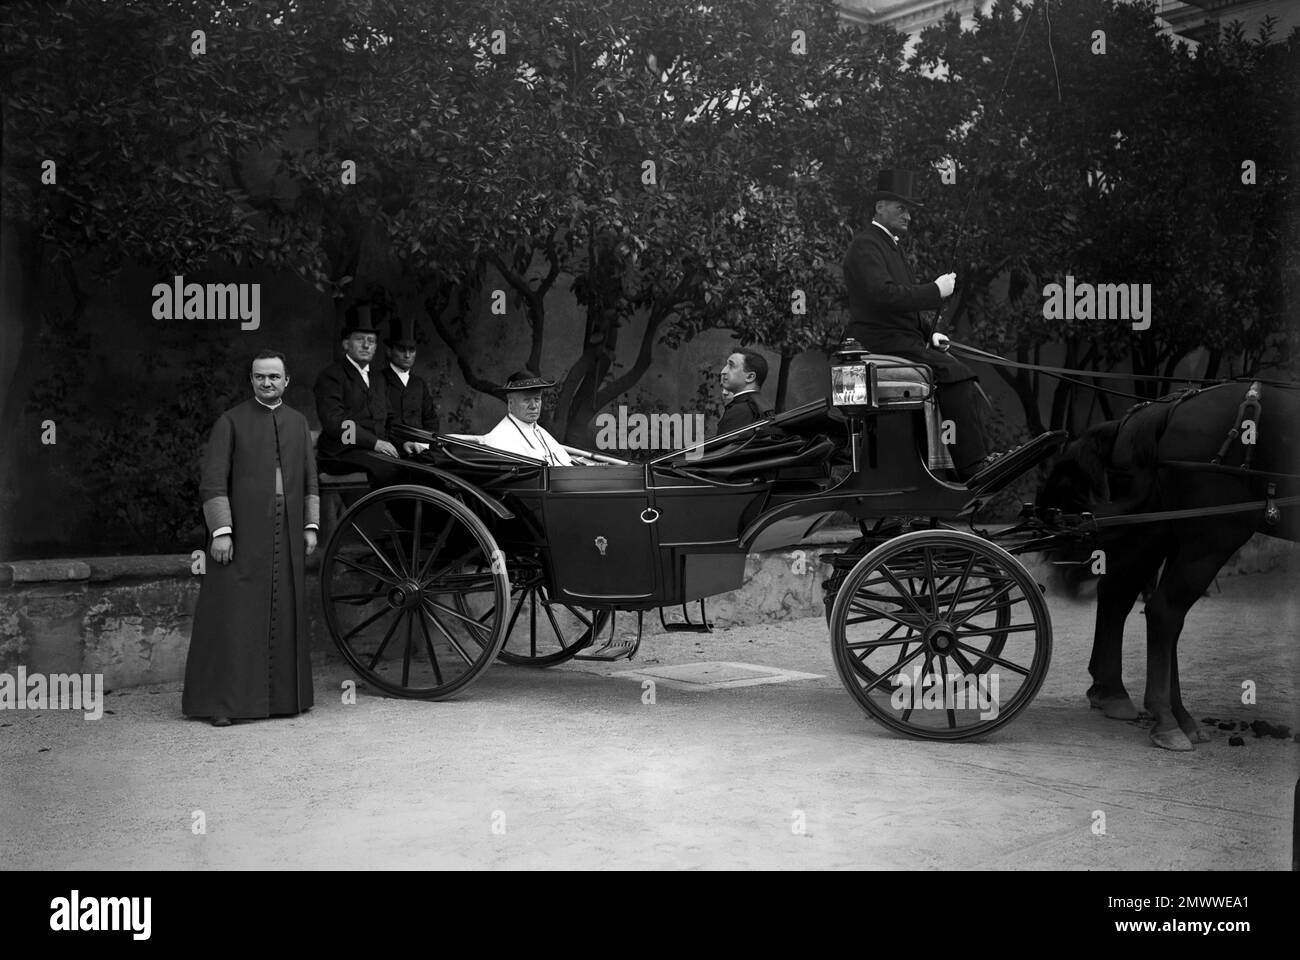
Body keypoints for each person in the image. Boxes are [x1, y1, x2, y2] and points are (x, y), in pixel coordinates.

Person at [183, 351, 319, 727]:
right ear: (251, 381)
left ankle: (284, 701)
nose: (267, 383)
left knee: (284, 613)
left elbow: (310, 479)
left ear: (286, 381)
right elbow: (212, 480)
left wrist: (311, 526)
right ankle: (225, 704)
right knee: (235, 619)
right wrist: (221, 531)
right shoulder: (230, 422)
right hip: (242, 535)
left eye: (274, 377)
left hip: (287, 531)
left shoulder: (297, 422)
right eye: (260, 377)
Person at [841, 169, 995, 479]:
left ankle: (962, 461)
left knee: (954, 368)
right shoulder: (866, 245)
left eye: (909, 209)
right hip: (879, 341)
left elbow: (901, 306)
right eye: (901, 208)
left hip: (897, 337)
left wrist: (931, 333)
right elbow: (883, 295)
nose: (908, 216)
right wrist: (935, 291)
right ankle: (972, 466)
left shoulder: (889, 246)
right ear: (879, 207)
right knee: (955, 373)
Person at [314, 303, 404, 487]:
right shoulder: (331, 376)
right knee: (390, 468)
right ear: (346, 344)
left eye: (371, 341)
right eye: (360, 339)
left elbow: (390, 419)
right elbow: (336, 423)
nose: (366, 345)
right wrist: (375, 443)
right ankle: (387, 516)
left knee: (419, 464)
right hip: (340, 453)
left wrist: (405, 442)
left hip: (372, 450)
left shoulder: (378, 378)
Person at [479, 371, 574, 465]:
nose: (533, 406)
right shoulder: (499, 438)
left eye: (537, 399)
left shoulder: (539, 431)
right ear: (511, 404)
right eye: (526, 400)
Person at [381, 314, 438, 454]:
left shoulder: (419, 384)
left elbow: (430, 420)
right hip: (391, 451)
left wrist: (424, 443)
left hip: (421, 450)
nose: (407, 355)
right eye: (401, 349)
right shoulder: (378, 380)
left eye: (411, 350)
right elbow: (376, 423)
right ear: (389, 350)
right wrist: (401, 444)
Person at [716, 349, 773, 436]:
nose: (723, 371)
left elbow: (723, 449)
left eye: (731, 366)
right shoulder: (765, 407)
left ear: (750, 377)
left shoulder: (740, 411)